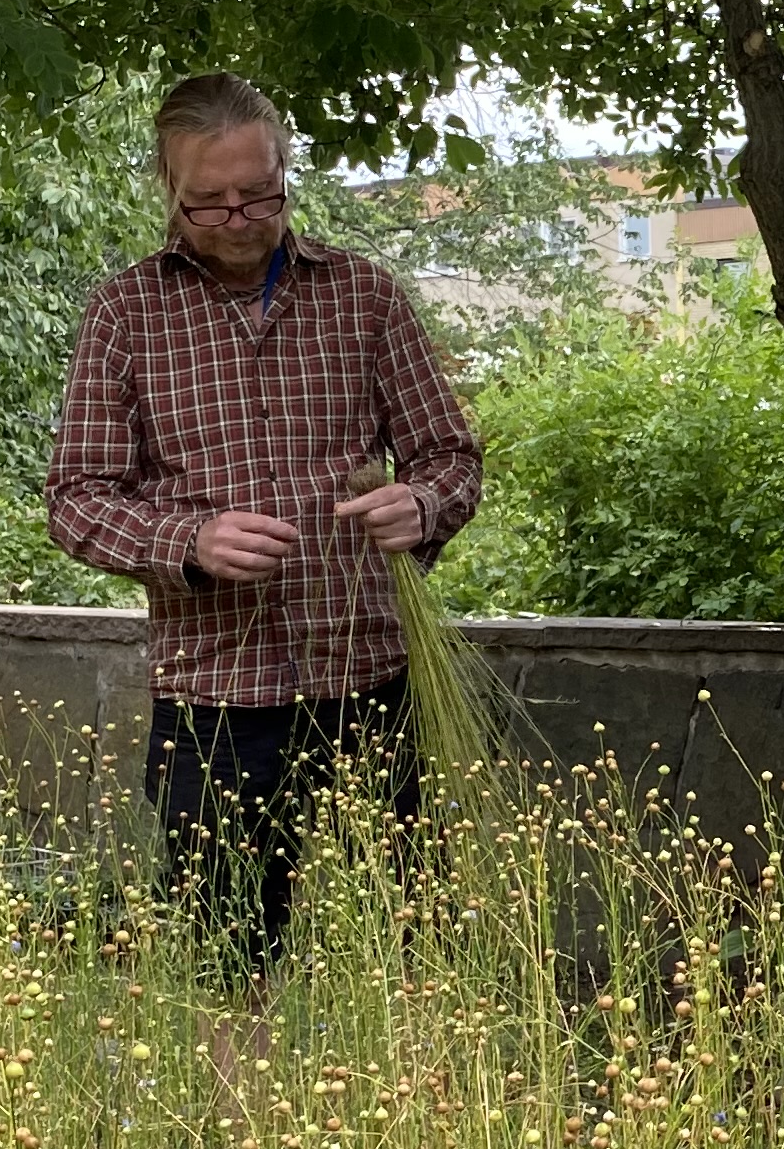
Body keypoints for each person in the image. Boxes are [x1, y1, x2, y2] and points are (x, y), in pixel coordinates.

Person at [45, 72, 484, 969]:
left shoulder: (363, 295)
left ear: (286, 170)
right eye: (209, 202)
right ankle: (242, 1071)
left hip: (371, 677)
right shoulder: (126, 312)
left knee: (410, 952)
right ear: (168, 187)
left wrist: (421, 504)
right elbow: (76, 500)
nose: (239, 218)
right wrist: (190, 542)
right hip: (213, 696)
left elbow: (450, 457)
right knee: (230, 960)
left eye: (260, 192)